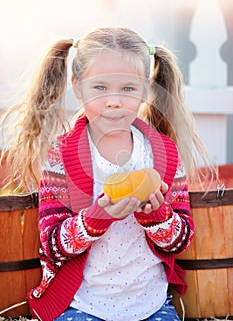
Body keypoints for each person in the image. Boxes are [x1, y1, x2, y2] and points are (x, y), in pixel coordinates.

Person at [1, 27, 214, 321]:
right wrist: (96, 218)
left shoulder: (163, 153)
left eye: (128, 88)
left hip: (150, 305)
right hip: (82, 304)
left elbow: (180, 240)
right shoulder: (62, 155)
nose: (114, 101)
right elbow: (51, 245)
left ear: (145, 90)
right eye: (100, 87)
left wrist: (157, 216)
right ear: (77, 87)